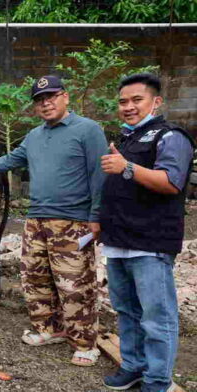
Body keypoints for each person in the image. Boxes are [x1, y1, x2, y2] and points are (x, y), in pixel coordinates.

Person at [0, 75, 107, 366]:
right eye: (39, 100)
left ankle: (85, 343)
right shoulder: (35, 136)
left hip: (72, 221)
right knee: (35, 278)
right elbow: (9, 161)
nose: (45, 103)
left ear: (66, 97)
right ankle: (48, 329)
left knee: (74, 284)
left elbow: (100, 176)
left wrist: (97, 217)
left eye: (51, 96)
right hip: (36, 220)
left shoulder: (88, 130)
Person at [99, 73, 194, 392]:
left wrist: (126, 166)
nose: (128, 106)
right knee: (126, 311)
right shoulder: (129, 137)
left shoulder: (170, 137)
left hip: (150, 244)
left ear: (156, 102)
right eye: (123, 101)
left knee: (157, 318)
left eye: (136, 100)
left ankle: (156, 379)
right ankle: (134, 366)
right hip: (119, 241)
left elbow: (171, 182)